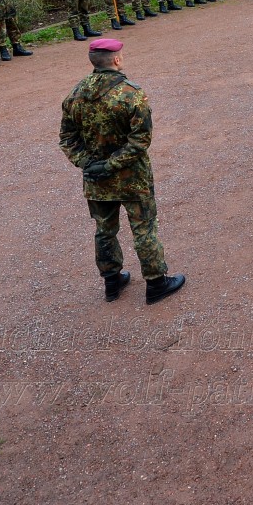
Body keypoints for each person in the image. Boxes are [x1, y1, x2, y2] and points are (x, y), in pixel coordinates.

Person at [59, 38, 186, 305]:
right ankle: (156, 283)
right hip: (131, 178)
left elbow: (67, 138)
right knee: (144, 227)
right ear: (116, 59)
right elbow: (140, 140)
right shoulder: (131, 93)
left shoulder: (75, 94)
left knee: (104, 230)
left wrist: (86, 163)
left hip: (96, 180)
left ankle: (112, 283)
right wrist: (112, 164)